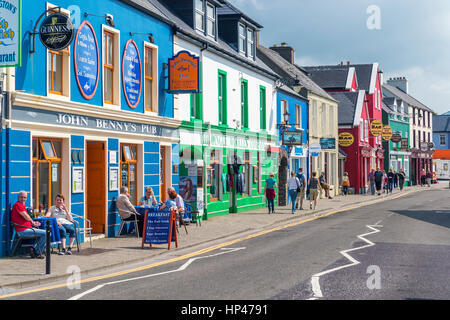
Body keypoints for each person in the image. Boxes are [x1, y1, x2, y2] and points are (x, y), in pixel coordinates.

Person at [11, 191, 46, 258]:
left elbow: (25, 218)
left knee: (46, 232)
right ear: (18, 197)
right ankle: (37, 251)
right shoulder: (17, 205)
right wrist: (33, 222)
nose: (23, 199)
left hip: (27, 228)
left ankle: (35, 250)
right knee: (46, 233)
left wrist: (33, 223)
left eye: (25, 197)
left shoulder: (22, 205)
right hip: (22, 230)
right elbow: (25, 216)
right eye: (21, 197)